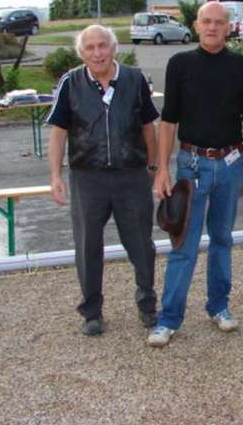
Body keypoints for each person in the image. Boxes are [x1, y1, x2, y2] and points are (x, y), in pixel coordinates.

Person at [148, 1, 243, 347]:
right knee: (183, 244)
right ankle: (168, 319)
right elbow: (168, 122)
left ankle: (219, 306)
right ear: (196, 26)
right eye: (206, 22)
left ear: (229, 27)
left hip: (229, 164)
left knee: (222, 239)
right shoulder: (180, 64)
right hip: (190, 165)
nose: (212, 27)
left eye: (219, 22)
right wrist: (161, 169)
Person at [47, 24, 159, 336]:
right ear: (81, 53)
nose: (97, 53)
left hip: (131, 175)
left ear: (113, 48)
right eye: (90, 48)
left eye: (102, 46)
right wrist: (55, 176)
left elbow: (149, 128)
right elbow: (58, 134)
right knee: (87, 246)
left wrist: (154, 167)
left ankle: (147, 303)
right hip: (88, 178)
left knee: (141, 243)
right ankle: (92, 311)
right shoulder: (71, 82)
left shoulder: (134, 79)